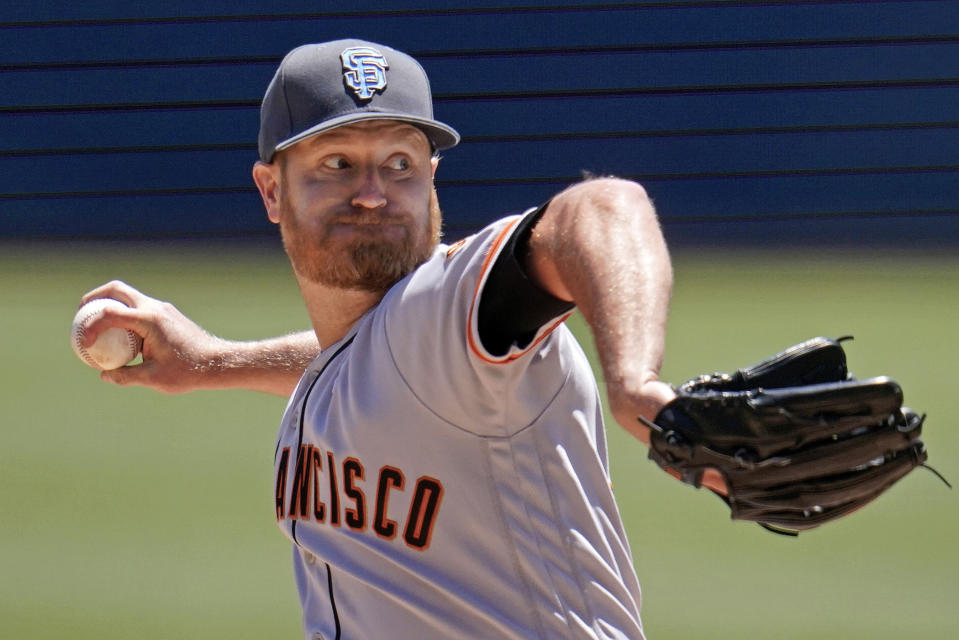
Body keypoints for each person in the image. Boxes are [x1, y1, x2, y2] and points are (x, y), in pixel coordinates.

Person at [80, 39, 723, 639]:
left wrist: (635, 380)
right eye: (338, 163)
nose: (372, 194)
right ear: (272, 190)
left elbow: (604, 206)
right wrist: (212, 362)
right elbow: (362, 363)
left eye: (400, 164)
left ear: (432, 178)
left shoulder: (446, 305)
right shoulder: (389, 358)